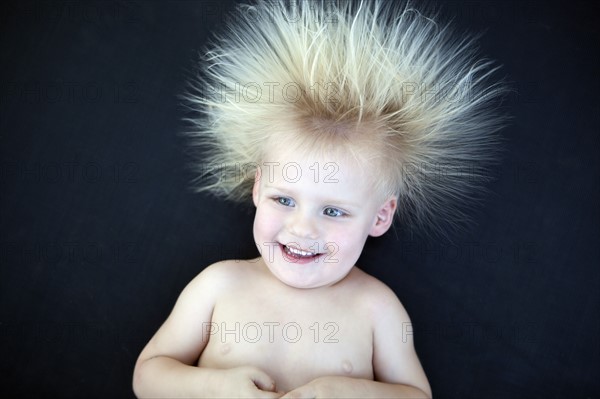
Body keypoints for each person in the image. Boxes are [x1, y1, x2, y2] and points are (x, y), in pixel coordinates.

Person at [133, 0, 505, 397]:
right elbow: (148, 375)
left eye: (333, 210)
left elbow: (416, 395)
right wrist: (214, 387)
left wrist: (346, 393)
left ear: (380, 217)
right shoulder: (220, 285)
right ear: (258, 188)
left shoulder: (375, 308)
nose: (302, 228)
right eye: (284, 200)